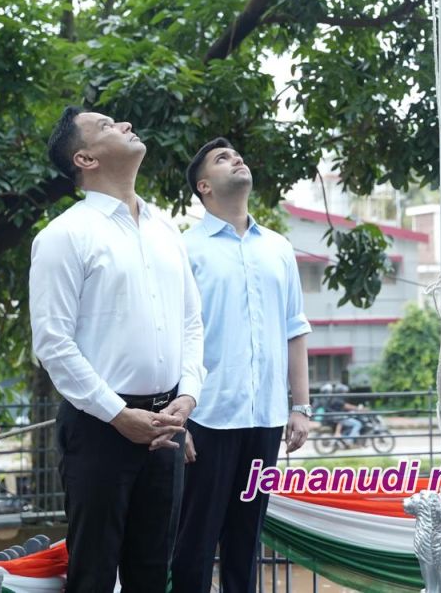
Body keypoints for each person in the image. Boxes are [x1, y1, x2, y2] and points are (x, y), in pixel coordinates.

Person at [30, 107, 205, 593]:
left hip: (166, 424)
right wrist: (117, 414)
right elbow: (53, 343)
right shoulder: (64, 235)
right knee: (94, 573)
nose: (126, 125)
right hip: (98, 429)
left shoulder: (166, 229)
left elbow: (191, 323)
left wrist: (188, 395)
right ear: (84, 159)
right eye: (107, 126)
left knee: (152, 571)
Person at [172, 138, 313, 593]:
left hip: (266, 418)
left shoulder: (278, 247)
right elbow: (171, 336)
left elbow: (295, 328)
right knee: (194, 541)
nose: (236, 159)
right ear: (204, 186)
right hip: (205, 417)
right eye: (222, 159)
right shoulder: (183, 249)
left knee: (246, 540)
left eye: (236, 155)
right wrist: (177, 419)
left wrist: (300, 407)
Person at [326, 383, 363, 447]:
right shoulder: (338, 399)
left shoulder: (335, 398)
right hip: (339, 418)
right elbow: (347, 406)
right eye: (344, 392)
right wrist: (358, 408)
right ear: (341, 391)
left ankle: (348, 438)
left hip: (338, 417)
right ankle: (349, 440)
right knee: (358, 424)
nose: (345, 393)